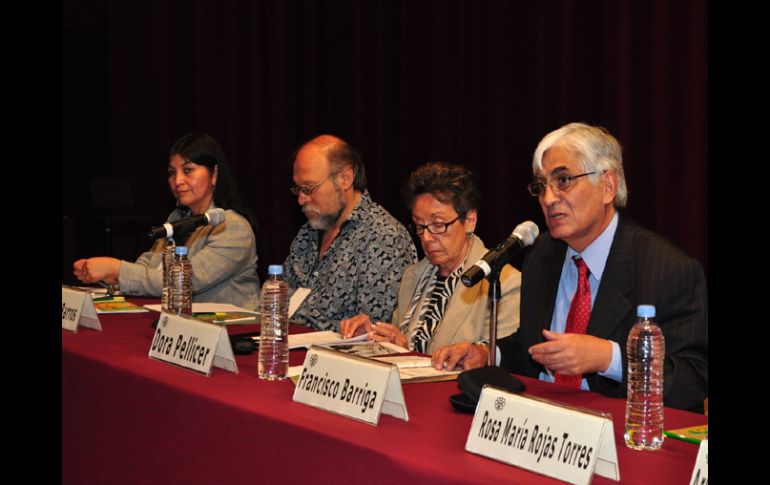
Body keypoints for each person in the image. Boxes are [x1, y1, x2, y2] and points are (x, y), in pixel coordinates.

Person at [432, 122, 708, 411]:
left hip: (619, 428)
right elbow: (533, 347)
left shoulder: (668, 269)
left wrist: (608, 358)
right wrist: (488, 354)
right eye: (541, 186)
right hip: (543, 420)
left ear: (607, 186)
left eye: (563, 180)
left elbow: (693, 381)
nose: (548, 198)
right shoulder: (543, 254)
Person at [340, 161, 521, 354]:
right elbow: (399, 344)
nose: (426, 237)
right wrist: (372, 337)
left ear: (470, 220)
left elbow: (494, 364)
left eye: (438, 225)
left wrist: (407, 355)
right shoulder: (413, 276)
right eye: (420, 226)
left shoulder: (505, 283)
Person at [73, 133, 260, 310]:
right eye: (172, 172)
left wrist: (117, 269)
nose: (177, 181)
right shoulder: (177, 219)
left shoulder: (232, 227)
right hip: (186, 325)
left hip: (234, 329)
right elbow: (150, 264)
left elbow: (184, 281)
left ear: (214, 174)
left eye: (188, 170)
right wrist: (111, 275)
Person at [284, 134, 417, 332]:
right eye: (298, 189)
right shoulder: (308, 232)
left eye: (309, 188)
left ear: (345, 179)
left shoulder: (385, 238)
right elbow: (280, 300)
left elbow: (374, 332)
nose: (301, 199)